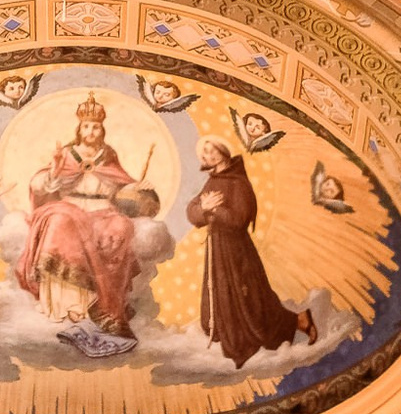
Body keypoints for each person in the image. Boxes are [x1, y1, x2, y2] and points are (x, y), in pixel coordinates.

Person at [18, 95, 157, 337]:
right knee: (60, 222)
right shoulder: (68, 154)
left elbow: (119, 185)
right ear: (79, 129)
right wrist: (53, 171)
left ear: (102, 130)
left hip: (104, 210)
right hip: (68, 206)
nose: (91, 131)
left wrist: (137, 188)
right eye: (86, 127)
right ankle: (67, 306)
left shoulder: (108, 155)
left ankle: (102, 305)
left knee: (122, 226)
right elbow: (40, 184)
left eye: (95, 127)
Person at [186, 138, 316, 366]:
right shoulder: (212, 182)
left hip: (237, 251)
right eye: (203, 154)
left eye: (210, 150)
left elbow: (239, 219)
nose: (207, 155)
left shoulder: (238, 183)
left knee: (252, 300)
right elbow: (192, 211)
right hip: (217, 250)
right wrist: (204, 209)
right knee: (224, 295)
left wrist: (213, 210)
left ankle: (298, 320)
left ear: (222, 150)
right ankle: (236, 340)